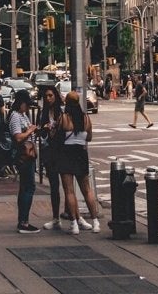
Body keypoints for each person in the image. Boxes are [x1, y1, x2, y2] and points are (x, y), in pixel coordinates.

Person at [57, 90, 102, 233]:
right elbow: (89, 138)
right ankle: (95, 222)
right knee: (87, 189)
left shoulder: (64, 118)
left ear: (67, 103)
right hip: (81, 154)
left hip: (66, 154)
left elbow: (58, 136)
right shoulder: (86, 119)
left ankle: (74, 224)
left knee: (69, 191)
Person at [8, 87, 39, 232]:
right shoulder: (15, 116)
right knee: (28, 187)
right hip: (23, 156)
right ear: (21, 103)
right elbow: (18, 137)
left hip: (28, 155)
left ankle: (24, 219)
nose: (27, 107)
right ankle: (24, 221)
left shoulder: (23, 115)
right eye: (26, 104)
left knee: (26, 187)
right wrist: (30, 131)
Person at [36, 84, 65, 228]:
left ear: (56, 96)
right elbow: (39, 132)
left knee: (68, 185)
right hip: (49, 151)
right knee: (54, 185)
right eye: (46, 96)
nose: (48, 99)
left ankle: (73, 216)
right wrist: (44, 129)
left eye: (50, 96)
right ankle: (56, 218)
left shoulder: (62, 112)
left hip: (61, 151)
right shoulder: (43, 113)